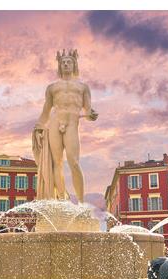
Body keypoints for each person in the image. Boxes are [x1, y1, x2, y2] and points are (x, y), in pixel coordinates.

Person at [32, 49, 98, 202]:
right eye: (63, 62)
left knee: (74, 162)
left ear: (74, 64)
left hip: (72, 124)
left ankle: (81, 204)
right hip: (55, 123)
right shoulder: (52, 88)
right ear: (59, 66)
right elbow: (46, 111)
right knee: (57, 162)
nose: (66, 64)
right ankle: (61, 201)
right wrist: (38, 127)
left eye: (69, 62)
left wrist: (92, 115)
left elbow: (88, 110)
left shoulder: (83, 87)